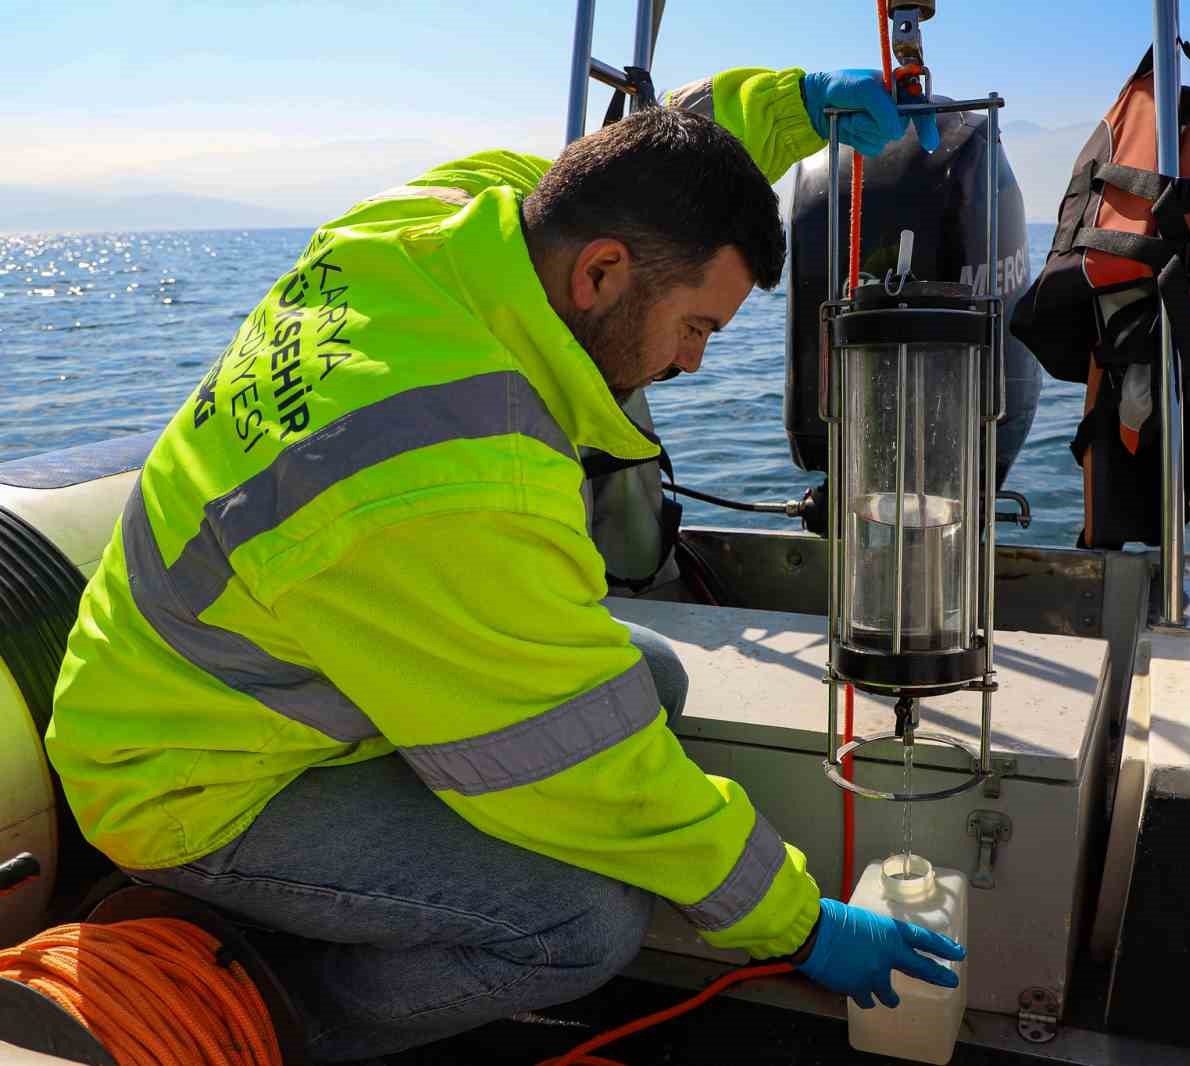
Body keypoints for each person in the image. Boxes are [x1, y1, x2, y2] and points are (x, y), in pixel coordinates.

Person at [46, 66, 958, 1062]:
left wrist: (788, 111)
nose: (693, 363)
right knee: (578, 925)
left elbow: (642, 166)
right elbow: (592, 770)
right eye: (696, 328)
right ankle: (275, 1018)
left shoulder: (444, 216)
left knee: (646, 677)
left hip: (228, 679)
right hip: (188, 779)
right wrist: (797, 922)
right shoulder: (453, 483)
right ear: (602, 274)